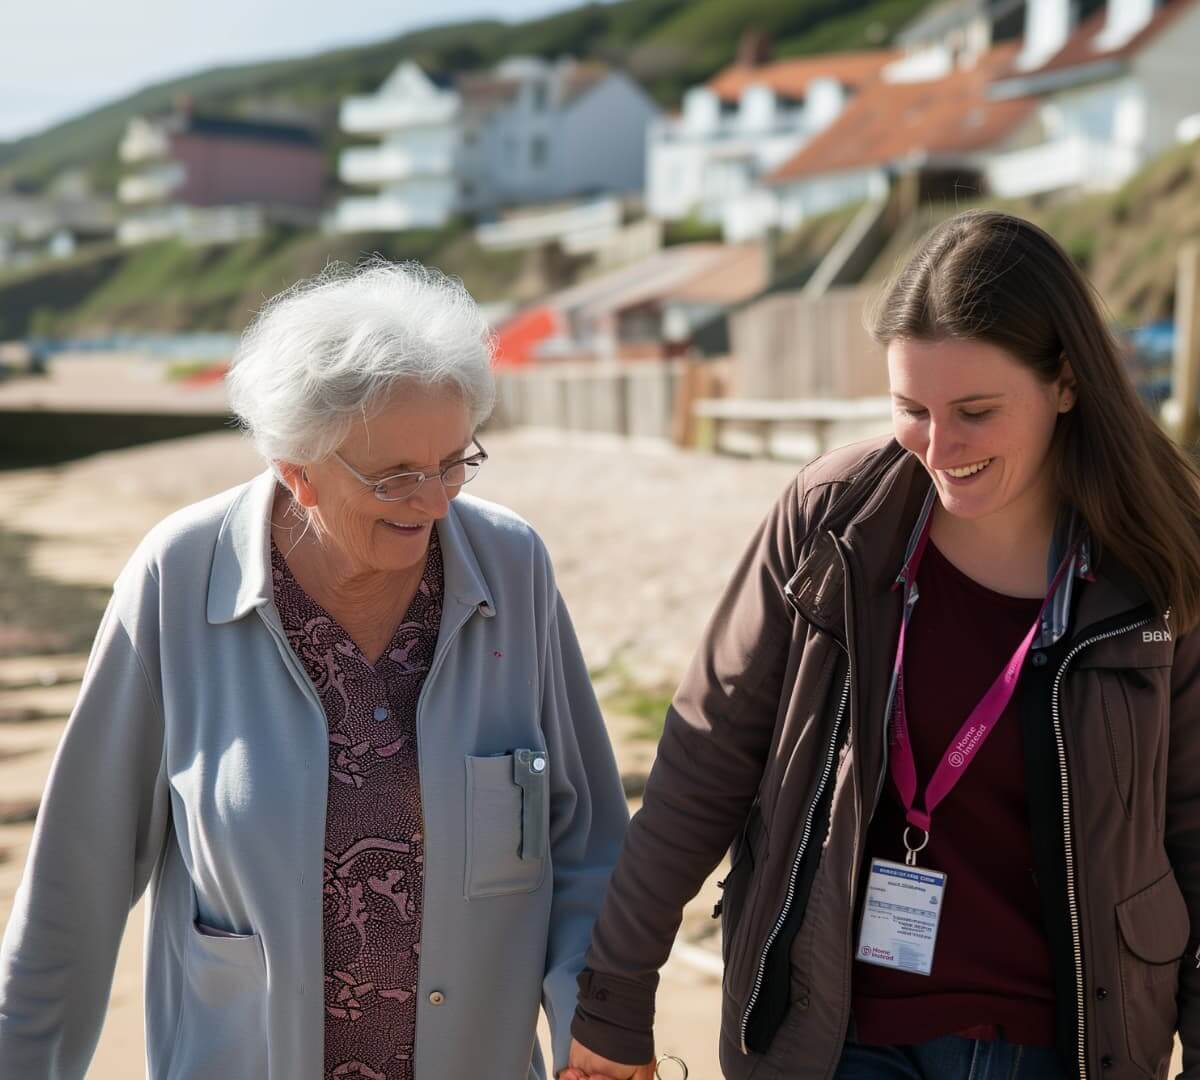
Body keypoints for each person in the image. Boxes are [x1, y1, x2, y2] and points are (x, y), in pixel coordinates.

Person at [565, 210, 1200, 1080]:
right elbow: (706, 758)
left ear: (1066, 381)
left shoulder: (1167, 555)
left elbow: (1197, 831)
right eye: (912, 409)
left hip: (1065, 1048)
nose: (939, 448)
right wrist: (616, 992)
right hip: (830, 1034)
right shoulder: (834, 517)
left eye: (976, 411)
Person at [0, 261, 628, 1079]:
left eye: (453, 461)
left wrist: (600, 1036)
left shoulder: (511, 565)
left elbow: (585, 840)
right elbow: (72, 887)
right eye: (397, 476)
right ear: (298, 469)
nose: (437, 501)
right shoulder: (179, 576)